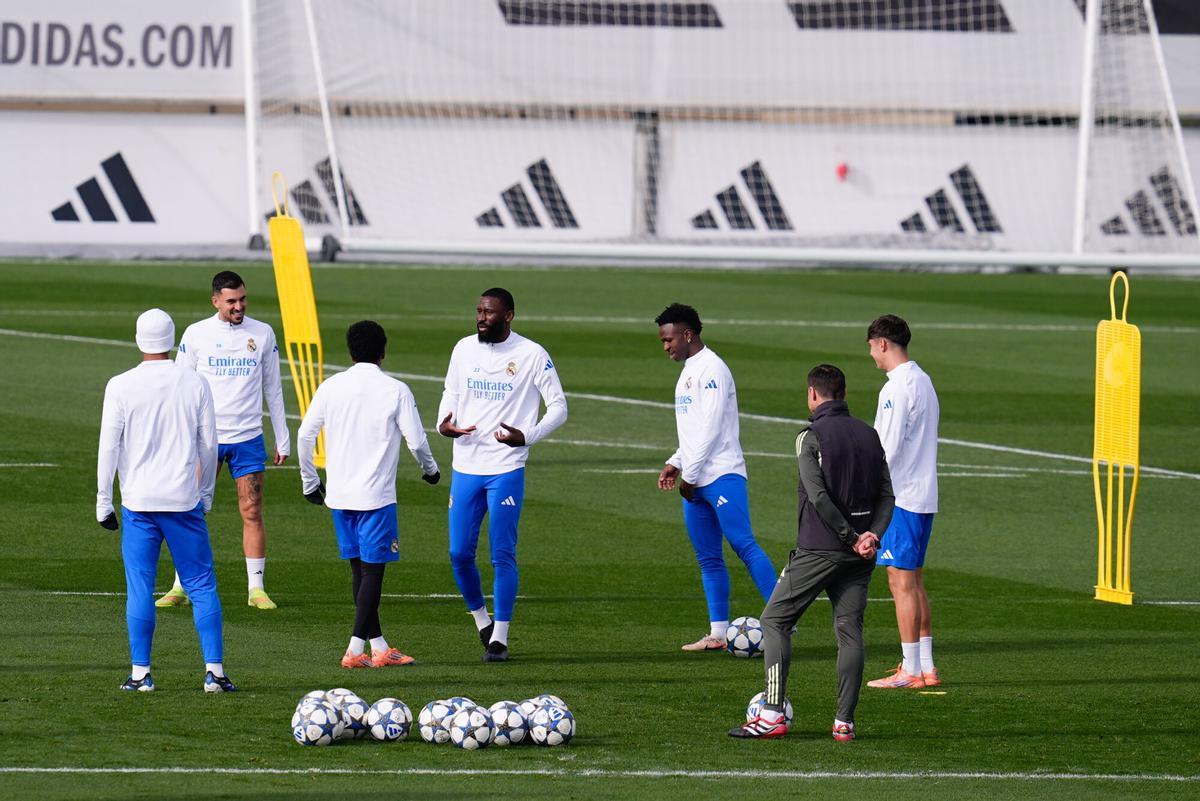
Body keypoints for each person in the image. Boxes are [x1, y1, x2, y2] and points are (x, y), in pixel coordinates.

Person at [730, 364, 892, 741]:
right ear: (844, 394)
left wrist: (849, 536)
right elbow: (888, 495)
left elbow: (818, 496)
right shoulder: (870, 435)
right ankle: (844, 722)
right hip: (860, 556)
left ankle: (772, 713)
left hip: (820, 549)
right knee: (849, 633)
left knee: (774, 621)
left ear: (813, 395)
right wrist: (872, 536)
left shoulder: (810, 436)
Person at [96, 308, 236, 693]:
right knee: (202, 583)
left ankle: (140, 674)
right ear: (172, 340)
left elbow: (109, 447)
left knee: (140, 586)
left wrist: (103, 500)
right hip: (183, 500)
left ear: (139, 340)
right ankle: (215, 672)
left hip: (138, 502)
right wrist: (206, 491)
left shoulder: (120, 384)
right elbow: (210, 445)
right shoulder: (195, 383)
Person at [297, 320, 441, 669]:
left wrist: (309, 482)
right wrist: (430, 470)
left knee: (358, 573)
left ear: (350, 351)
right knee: (373, 574)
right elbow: (417, 440)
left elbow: (304, 435)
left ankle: (379, 648)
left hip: (340, 496)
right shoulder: (395, 390)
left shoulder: (331, 386)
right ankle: (354, 649)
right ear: (383, 351)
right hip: (376, 498)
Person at [437, 288, 567, 662]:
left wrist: (528, 436)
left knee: (501, 553)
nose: (481, 317)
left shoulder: (531, 354)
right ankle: (482, 621)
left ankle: (501, 638)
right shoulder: (463, 349)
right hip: (466, 465)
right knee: (458, 552)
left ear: (509, 315)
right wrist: (443, 424)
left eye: (489, 312)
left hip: (506, 468)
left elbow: (558, 407)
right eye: (478, 310)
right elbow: (451, 391)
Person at [156, 270, 290, 610]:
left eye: (242, 299)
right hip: (204, 439)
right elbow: (179, 387)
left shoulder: (262, 334)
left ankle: (256, 589)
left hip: (248, 438)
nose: (238, 306)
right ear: (215, 300)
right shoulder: (197, 334)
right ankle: (179, 586)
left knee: (252, 508)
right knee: (189, 510)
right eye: (231, 301)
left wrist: (282, 436)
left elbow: (273, 388)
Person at [655, 303, 778, 651]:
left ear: (688, 334)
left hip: (722, 475)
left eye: (669, 339)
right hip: (696, 476)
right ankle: (718, 633)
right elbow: (694, 431)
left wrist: (689, 475)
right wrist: (676, 461)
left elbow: (710, 429)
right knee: (708, 557)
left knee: (744, 545)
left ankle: (781, 622)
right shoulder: (689, 371)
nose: (666, 346)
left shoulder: (712, 369)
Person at [864, 314, 942, 690]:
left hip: (902, 497)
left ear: (881, 343)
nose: (872, 357)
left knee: (901, 584)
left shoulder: (895, 388)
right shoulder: (923, 380)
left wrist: (866, 489)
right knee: (914, 582)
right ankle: (925, 667)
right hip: (923, 494)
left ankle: (911, 670)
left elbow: (887, 448)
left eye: (871, 348)